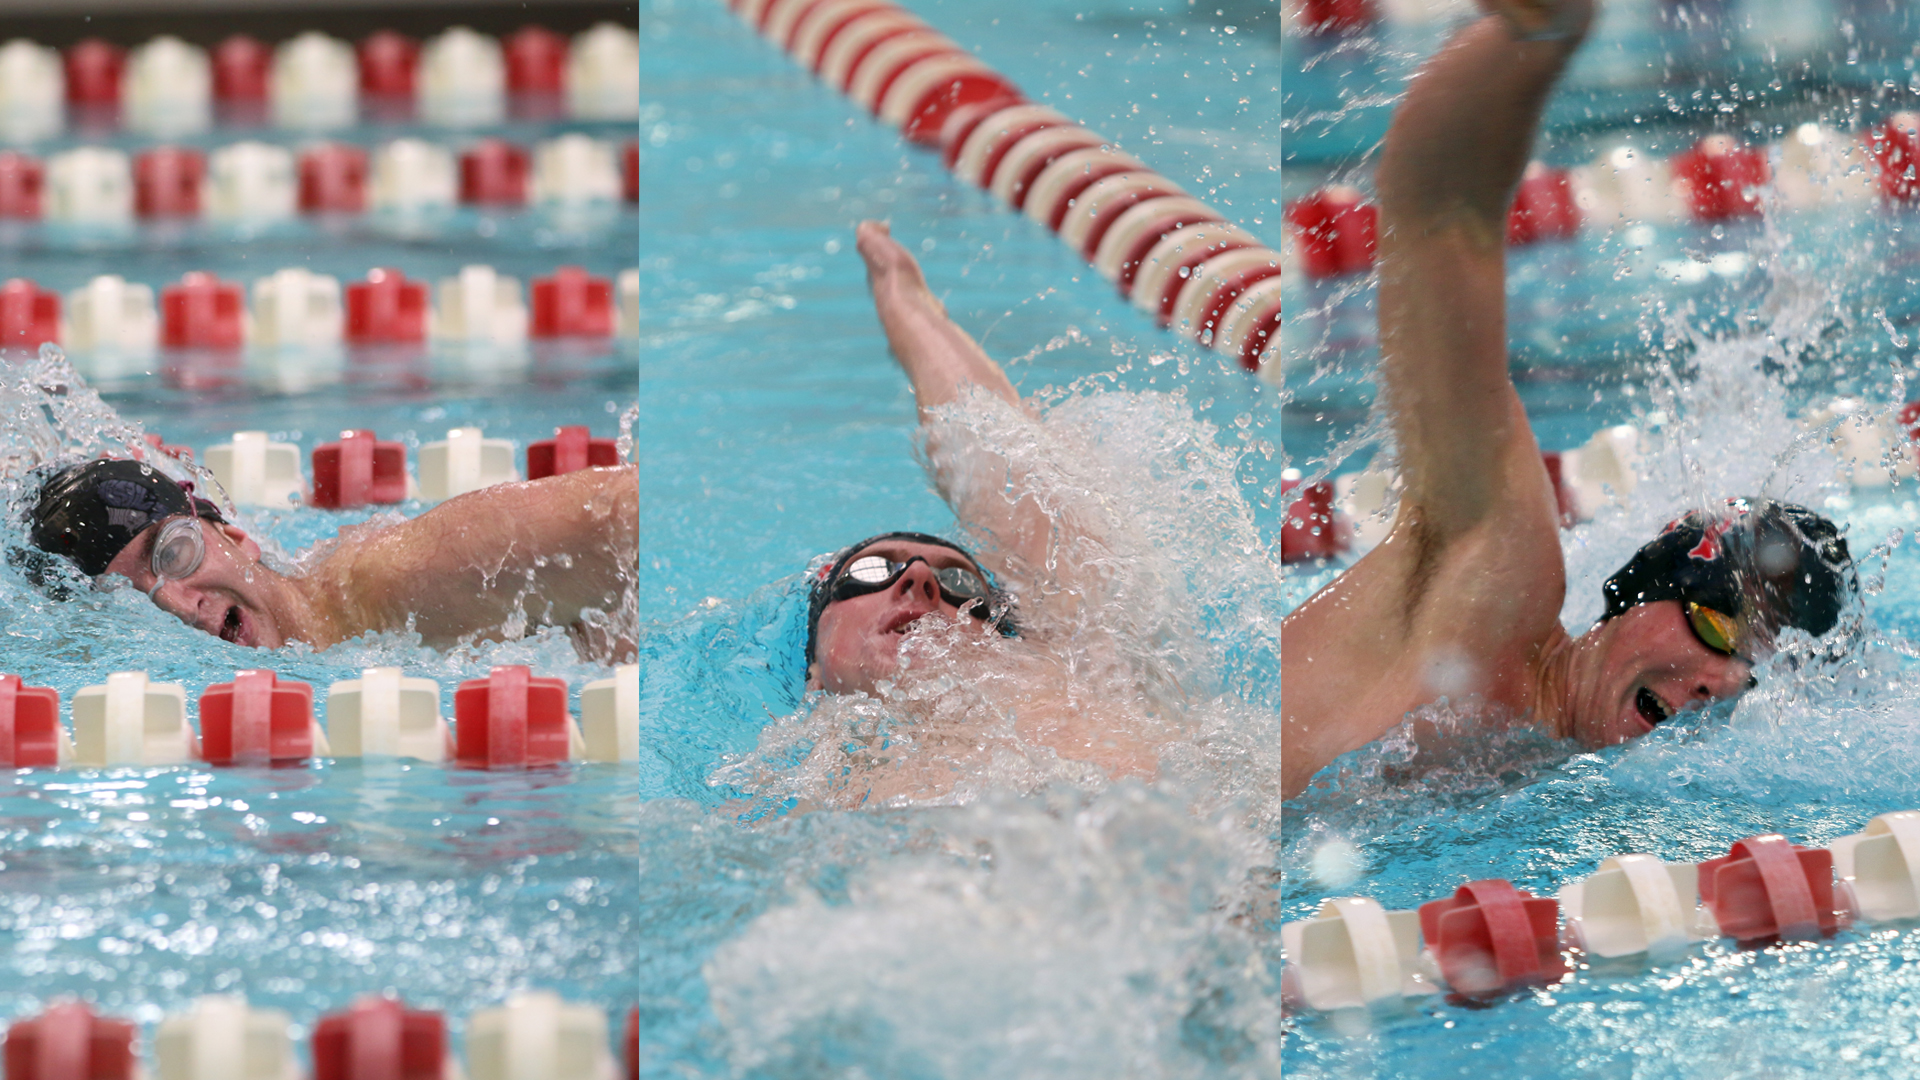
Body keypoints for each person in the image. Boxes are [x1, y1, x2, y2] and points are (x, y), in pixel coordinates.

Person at [1278, 0, 1856, 798]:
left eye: (1750, 678)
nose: (1717, 686)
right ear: (1646, 589)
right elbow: (1438, 217)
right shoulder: (1500, 583)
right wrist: (1534, 34)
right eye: (1721, 628)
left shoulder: (1539, 763)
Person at [748, 221, 1169, 797]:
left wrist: (910, 311)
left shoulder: (1086, 678)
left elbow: (1003, 469)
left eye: (959, 582)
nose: (921, 579)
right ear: (814, 676)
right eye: (870, 573)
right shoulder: (793, 797)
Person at [24, 455, 639, 661]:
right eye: (132, 601)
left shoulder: (399, 583)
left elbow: (631, 509)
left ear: (237, 539)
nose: (181, 607)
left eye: (175, 554)